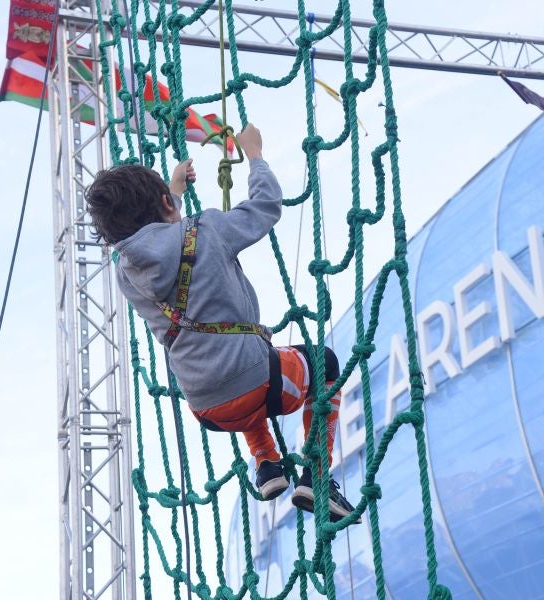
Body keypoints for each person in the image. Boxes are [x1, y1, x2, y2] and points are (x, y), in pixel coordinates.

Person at [86, 124, 358, 523]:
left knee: (231, 361)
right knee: (324, 362)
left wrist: (173, 192)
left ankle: (266, 462)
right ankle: (317, 475)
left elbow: (152, 242)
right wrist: (254, 154)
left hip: (206, 408)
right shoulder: (205, 230)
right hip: (260, 383)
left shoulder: (125, 271)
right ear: (165, 204)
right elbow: (266, 206)